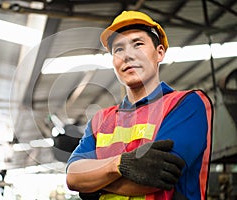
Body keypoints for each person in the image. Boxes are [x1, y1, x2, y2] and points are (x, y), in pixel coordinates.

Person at [66, 10, 213, 200]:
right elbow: (73, 177)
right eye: (118, 49)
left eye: (138, 44)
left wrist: (93, 186)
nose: (128, 55)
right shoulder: (100, 120)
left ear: (159, 52)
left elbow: (154, 178)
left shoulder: (185, 104)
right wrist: (119, 164)